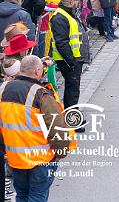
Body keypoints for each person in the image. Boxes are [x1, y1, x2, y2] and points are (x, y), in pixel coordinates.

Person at [0, 55, 75, 202]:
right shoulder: (41, 94)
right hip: (40, 160)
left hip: (15, 158)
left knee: (22, 195)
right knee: (37, 197)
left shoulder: (3, 89)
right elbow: (57, 128)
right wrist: (60, 153)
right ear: (37, 72)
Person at [47, 0, 86, 109]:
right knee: (72, 91)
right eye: (76, 0)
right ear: (70, 2)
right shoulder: (60, 17)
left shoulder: (67, 13)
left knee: (73, 89)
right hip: (68, 60)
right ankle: (72, 119)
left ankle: (72, 115)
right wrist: (72, 61)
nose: (77, 3)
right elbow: (61, 42)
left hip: (72, 58)